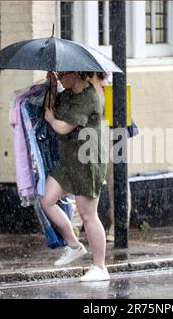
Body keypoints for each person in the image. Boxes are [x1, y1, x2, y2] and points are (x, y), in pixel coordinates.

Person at [42, 71, 109, 282]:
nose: (60, 78)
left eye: (62, 75)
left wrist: (52, 119)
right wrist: (52, 86)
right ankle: (73, 244)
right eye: (59, 75)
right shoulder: (68, 93)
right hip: (69, 160)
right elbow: (51, 107)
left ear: (77, 74)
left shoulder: (89, 97)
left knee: (88, 215)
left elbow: (62, 127)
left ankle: (99, 267)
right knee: (47, 200)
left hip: (87, 162)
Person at [88, 72, 132, 242]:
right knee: (83, 181)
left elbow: (122, 112)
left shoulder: (111, 85)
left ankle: (119, 224)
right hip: (90, 139)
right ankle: (77, 225)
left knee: (117, 181)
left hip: (112, 137)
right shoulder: (81, 85)